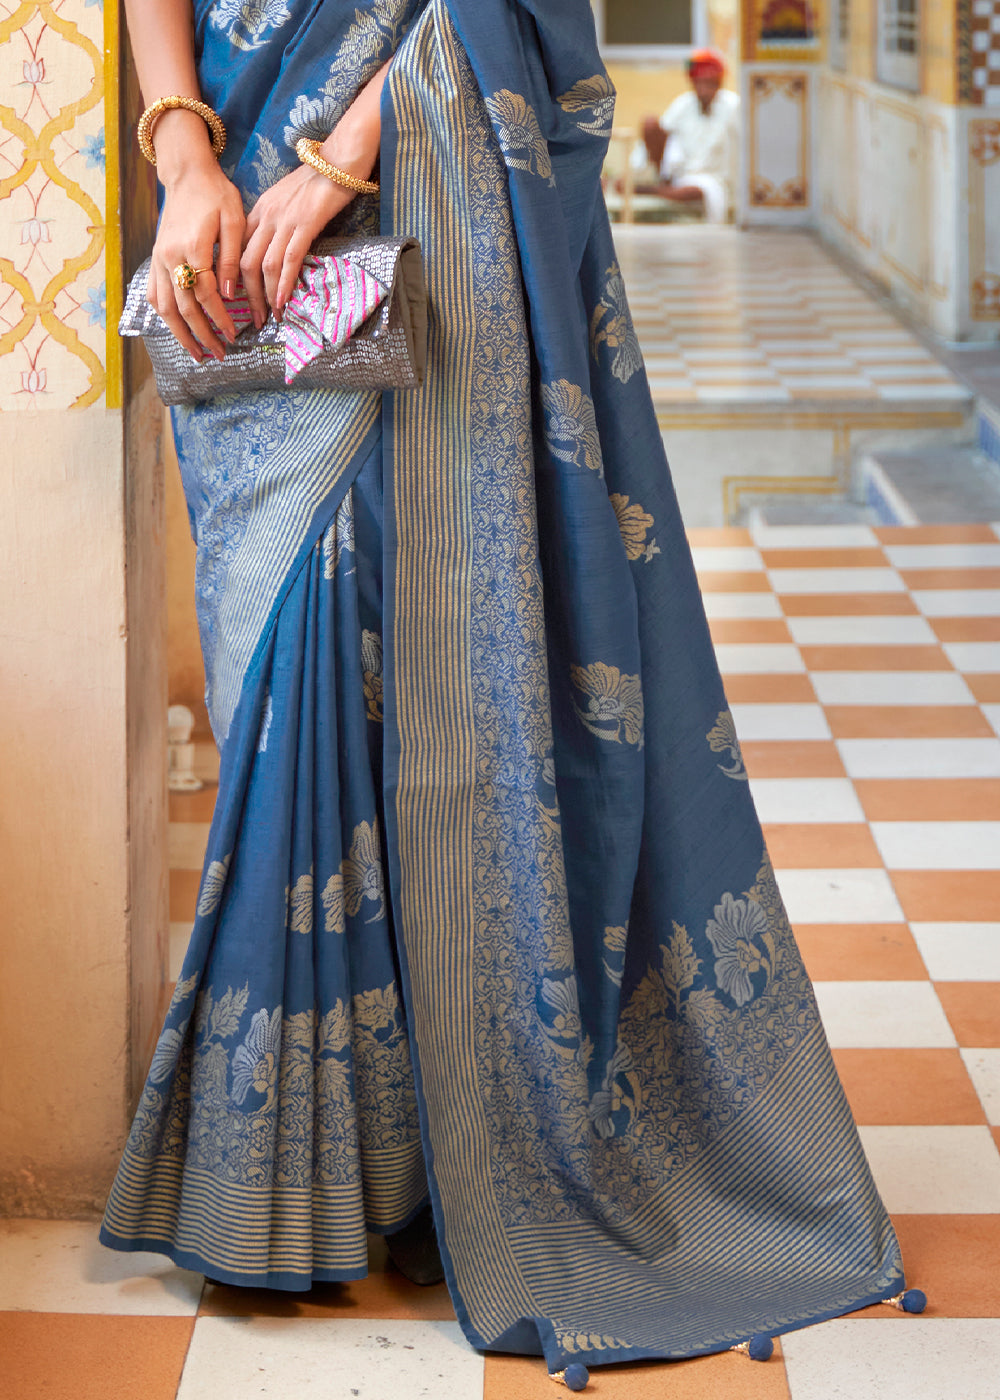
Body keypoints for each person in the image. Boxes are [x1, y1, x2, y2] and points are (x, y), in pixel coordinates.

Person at [101, 0, 909, 1387]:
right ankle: (324, 1164)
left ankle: (422, 1157)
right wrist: (183, 151)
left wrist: (351, 152)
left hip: (401, 182)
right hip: (224, 219)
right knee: (277, 674)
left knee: (378, 633)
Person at [638, 48, 739, 223]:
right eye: (698, 82)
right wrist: (641, 170)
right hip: (680, 173)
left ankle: (651, 190)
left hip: (715, 180)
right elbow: (660, 134)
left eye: (709, 82)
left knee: (694, 191)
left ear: (719, 82)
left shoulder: (733, 106)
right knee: (650, 123)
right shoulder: (684, 103)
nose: (703, 89)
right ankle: (659, 186)